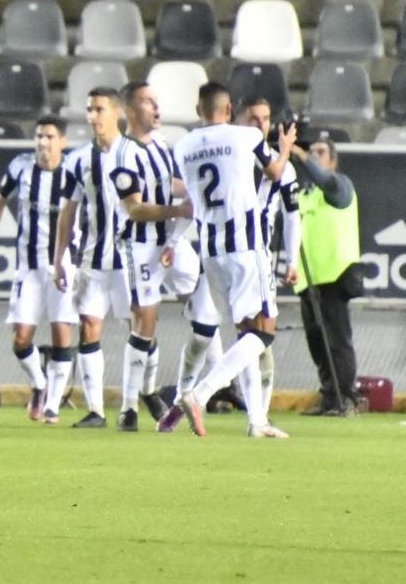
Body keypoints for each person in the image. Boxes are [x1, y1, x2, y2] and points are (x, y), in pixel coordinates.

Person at [158, 82, 295, 438]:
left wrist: (173, 238)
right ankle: (198, 395)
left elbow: (189, 197)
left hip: (211, 252)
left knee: (240, 334)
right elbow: (275, 173)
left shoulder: (184, 147)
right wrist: (285, 150)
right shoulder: (245, 138)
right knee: (262, 334)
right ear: (230, 108)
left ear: (198, 110)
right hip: (246, 248)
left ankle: (256, 422)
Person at [52, 88, 139, 429]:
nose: (92, 116)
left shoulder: (136, 154)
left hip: (130, 259)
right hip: (92, 258)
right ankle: (97, 411)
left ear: (116, 112)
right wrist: (60, 258)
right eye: (89, 110)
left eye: (99, 109)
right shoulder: (77, 160)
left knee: (140, 328)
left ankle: (135, 403)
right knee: (90, 327)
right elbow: (68, 212)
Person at [0, 116, 78, 424]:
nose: (43, 142)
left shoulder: (74, 172)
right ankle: (39, 383)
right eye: (39, 136)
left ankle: (52, 405)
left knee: (62, 333)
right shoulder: (21, 167)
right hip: (28, 267)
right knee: (21, 338)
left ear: (62, 141)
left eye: (50, 137)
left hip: (64, 266)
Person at [109, 82, 193, 431]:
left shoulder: (160, 145)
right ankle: (130, 405)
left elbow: (170, 183)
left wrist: (191, 190)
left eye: (157, 101)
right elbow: (135, 209)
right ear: (130, 111)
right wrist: (178, 211)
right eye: (148, 102)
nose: (157, 107)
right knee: (145, 319)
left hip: (169, 241)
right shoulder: (122, 154)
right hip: (140, 244)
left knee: (203, 294)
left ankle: (202, 385)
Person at [294, 139, 362, 416]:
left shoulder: (340, 185)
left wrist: (300, 154)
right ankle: (330, 397)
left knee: (337, 340)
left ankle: (345, 396)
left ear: (333, 161)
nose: (313, 157)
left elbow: (328, 183)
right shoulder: (305, 195)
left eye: (321, 153)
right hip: (309, 279)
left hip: (334, 274)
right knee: (318, 342)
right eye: (312, 152)